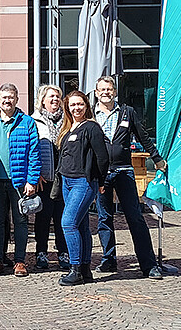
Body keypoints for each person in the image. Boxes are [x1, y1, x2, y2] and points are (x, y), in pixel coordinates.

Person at [93, 76, 165, 280]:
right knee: (104, 218)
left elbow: (143, 137)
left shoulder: (127, 112)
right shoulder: (91, 114)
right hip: (101, 174)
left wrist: (157, 158)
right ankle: (108, 260)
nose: (106, 92)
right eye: (102, 89)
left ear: (114, 92)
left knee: (135, 217)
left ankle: (148, 265)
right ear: (96, 93)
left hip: (124, 170)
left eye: (109, 89)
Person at [0, 83, 40, 277]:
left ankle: (20, 261)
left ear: (16, 99)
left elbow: (34, 154)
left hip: (20, 181)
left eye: (11, 97)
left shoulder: (27, 122)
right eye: (4, 97)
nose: (7, 100)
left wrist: (32, 180)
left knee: (21, 221)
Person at [56, 90, 111, 286]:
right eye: (72, 105)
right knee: (80, 225)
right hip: (67, 181)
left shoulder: (91, 127)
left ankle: (75, 269)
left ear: (86, 105)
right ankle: (86, 270)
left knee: (68, 223)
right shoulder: (69, 128)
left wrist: (101, 181)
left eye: (80, 104)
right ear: (67, 107)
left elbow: (103, 157)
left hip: (84, 182)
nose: (76, 108)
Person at [30, 84, 70, 271]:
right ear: (42, 100)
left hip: (64, 177)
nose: (55, 100)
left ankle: (63, 253)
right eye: (51, 96)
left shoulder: (67, 120)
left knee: (63, 218)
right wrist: (35, 174)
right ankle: (41, 253)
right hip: (44, 178)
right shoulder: (34, 120)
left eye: (57, 96)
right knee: (43, 218)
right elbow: (31, 150)